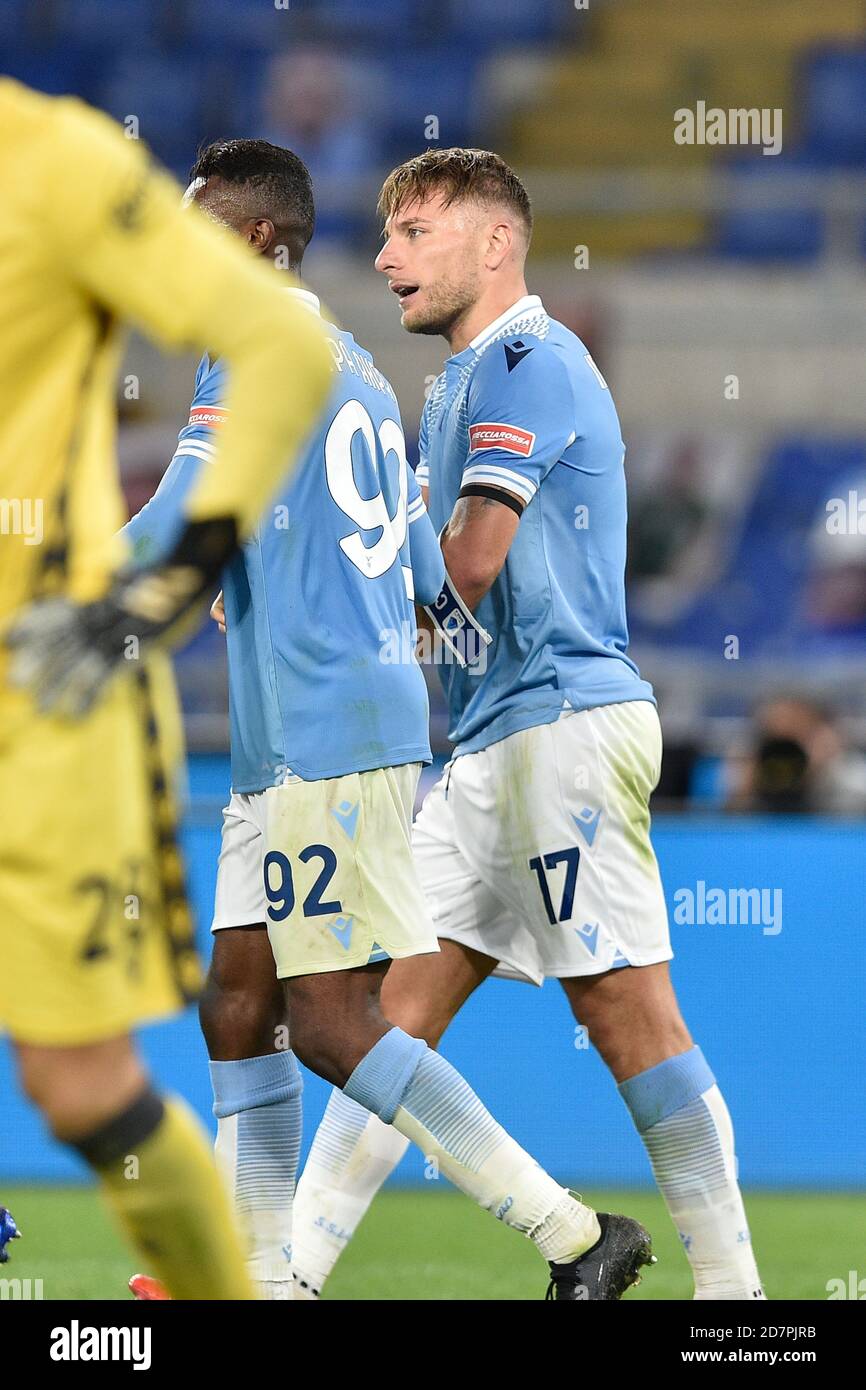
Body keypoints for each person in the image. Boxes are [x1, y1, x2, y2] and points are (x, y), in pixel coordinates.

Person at [125, 138, 654, 1302]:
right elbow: (422, 575)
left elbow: (173, 517)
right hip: (295, 735)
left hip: (327, 732)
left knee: (326, 1021)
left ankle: (572, 1234)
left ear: (259, 244)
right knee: (238, 1000)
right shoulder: (356, 370)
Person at [292, 147, 765, 1303]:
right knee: (377, 1020)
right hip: (488, 746)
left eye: (413, 230)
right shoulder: (455, 383)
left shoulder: (529, 362)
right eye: (386, 232)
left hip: (561, 730)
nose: (385, 254)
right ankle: (284, 1281)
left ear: (495, 243)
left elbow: (466, 566)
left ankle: (737, 1300)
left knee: (624, 1013)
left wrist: (337, 603)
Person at [0, 81, 332, 1300]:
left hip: (42, 698)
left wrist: (178, 574)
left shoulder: (53, 162)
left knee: (77, 1083)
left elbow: (281, 341)